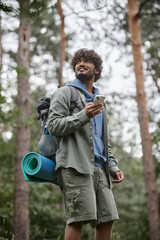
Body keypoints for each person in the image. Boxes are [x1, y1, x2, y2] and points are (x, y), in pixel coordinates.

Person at [48, 48, 124, 240]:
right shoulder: (65, 92)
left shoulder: (101, 102)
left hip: (100, 170)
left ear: (96, 70)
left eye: (87, 61)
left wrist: (113, 166)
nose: (81, 63)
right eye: (78, 61)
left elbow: (102, 140)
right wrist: (84, 115)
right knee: (77, 219)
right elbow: (54, 126)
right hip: (75, 166)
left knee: (107, 219)